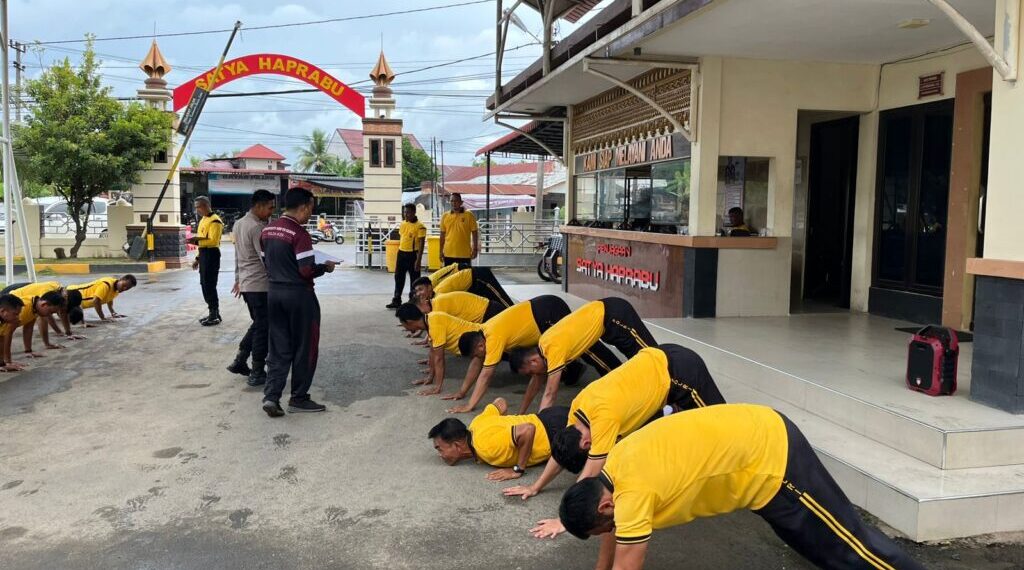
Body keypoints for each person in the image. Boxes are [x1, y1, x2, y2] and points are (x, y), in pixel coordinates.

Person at [558, 404, 924, 570]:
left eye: (606, 526)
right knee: (821, 550)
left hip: (772, 459)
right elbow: (616, 534)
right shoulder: (616, 468)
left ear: (605, 506)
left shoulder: (632, 496)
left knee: (849, 546)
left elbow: (627, 562)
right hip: (755, 455)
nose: (613, 531)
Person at [504, 345, 726, 538]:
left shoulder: (604, 420)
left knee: (723, 425)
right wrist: (535, 486)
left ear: (587, 444)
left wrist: (566, 520)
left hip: (680, 371)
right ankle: (672, 409)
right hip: (655, 363)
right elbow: (561, 453)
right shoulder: (578, 410)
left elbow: (589, 474)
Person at [445, 295, 595, 415]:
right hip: (542, 311)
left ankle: (607, 373)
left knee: (591, 351)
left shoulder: (493, 338)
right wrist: (462, 392)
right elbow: (477, 363)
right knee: (540, 370)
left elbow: (485, 376)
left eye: (476, 354)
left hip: (548, 312)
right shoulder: (484, 333)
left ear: (480, 346)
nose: (478, 358)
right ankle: (574, 371)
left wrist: (470, 405)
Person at [260, 188, 336, 417]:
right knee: (305, 347)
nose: (311, 214)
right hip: (299, 296)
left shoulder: (267, 230)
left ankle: (271, 396)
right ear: (303, 207)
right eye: (311, 209)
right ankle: (299, 397)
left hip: (274, 294)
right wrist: (325, 268)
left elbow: (265, 262)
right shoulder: (299, 233)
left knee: (278, 348)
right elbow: (306, 270)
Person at [508, 297, 658, 411]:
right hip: (607, 325)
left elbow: (550, 394)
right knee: (641, 362)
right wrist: (521, 413)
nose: (534, 375)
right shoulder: (543, 345)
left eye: (531, 372)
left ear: (533, 361)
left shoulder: (552, 350)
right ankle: (655, 401)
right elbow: (535, 383)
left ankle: (668, 405)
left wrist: (541, 425)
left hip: (615, 315)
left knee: (655, 358)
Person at [427, 397, 569, 481]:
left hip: (558, 431)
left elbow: (528, 430)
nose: (440, 454)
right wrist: (505, 426)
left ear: (457, 445)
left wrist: (517, 470)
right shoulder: (476, 424)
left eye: (440, 449)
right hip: (550, 415)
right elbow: (500, 402)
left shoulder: (487, 447)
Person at [227, 189, 276, 387]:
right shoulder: (256, 228)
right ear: (259, 206)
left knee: (258, 324)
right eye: (270, 208)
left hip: (248, 284)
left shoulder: (239, 223)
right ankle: (256, 371)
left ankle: (240, 359)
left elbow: (237, 256)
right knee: (263, 328)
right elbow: (266, 259)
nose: (272, 212)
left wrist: (238, 279)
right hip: (260, 285)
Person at [395, 304, 481, 396]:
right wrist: (430, 377)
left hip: (481, 340)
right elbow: (432, 352)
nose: (404, 327)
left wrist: (437, 387)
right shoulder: (430, 319)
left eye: (403, 323)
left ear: (409, 322)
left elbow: (439, 359)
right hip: (477, 339)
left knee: (482, 368)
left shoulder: (434, 325)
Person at [0, 288, 66, 372]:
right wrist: (8, 362)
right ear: (44, 305)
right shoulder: (23, 309)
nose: (18, 318)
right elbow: (7, 335)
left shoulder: (34, 307)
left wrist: (28, 351)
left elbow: (28, 328)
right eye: (50, 312)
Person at [188, 196, 225, 326]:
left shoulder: (215, 221)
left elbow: (213, 241)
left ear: (205, 205)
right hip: (204, 254)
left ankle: (214, 314)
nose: (197, 210)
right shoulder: (204, 219)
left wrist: (195, 241)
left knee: (209, 285)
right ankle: (213, 313)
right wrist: (198, 259)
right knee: (204, 284)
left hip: (212, 254)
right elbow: (202, 241)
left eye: (198, 207)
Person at [412, 266, 513, 308]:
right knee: (489, 307)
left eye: (420, 290)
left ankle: (519, 316)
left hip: (479, 277)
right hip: (471, 285)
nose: (419, 294)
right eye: (417, 292)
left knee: (504, 302)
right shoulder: (434, 293)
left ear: (429, 287)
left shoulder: (439, 292)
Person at [387, 204, 427, 310]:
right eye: (404, 212)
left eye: (408, 212)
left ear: (414, 212)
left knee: (414, 280)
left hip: (413, 254)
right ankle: (396, 300)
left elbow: (422, 243)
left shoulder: (420, 226)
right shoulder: (403, 224)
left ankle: (413, 301)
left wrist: (418, 260)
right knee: (398, 277)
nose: (406, 214)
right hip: (401, 253)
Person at [67, 275, 137, 325]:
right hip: (69, 294)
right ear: (121, 279)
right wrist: (102, 318)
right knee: (65, 317)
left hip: (78, 304)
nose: (124, 289)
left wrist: (113, 313)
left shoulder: (116, 289)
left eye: (127, 288)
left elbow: (109, 298)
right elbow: (96, 301)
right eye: (124, 285)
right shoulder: (106, 284)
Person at [415, 290, 505, 324]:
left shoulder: (438, 306)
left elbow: (435, 332)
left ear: (424, 301)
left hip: (491, 313)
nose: (423, 313)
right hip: (490, 310)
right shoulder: (436, 301)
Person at [439, 193, 478, 267]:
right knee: (450, 274)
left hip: (464, 254)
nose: (454, 203)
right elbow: (442, 235)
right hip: (448, 254)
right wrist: (440, 251)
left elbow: (474, 232)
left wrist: (475, 249)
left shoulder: (469, 215)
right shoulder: (445, 216)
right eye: (452, 201)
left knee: (465, 274)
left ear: (461, 202)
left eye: (456, 201)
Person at [0, 294, 25, 371]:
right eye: (15, 314)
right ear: (2, 311)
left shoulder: (4, 321)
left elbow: (1, 340)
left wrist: (2, 364)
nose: (18, 318)